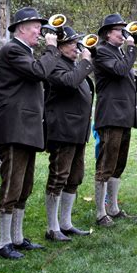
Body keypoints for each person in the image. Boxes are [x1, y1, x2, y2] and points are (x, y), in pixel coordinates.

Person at [0, 7, 61, 259]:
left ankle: (17, 238)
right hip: (14, 128)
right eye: (35, 27)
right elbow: (40, 71)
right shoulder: (12, 50)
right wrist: (52, 49)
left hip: (27, 128)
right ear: (20, 28)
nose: (40, 31)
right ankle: (2, 243)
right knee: (12, 183)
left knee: (25, 185)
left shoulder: (25, 52)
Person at [43, 26, 94, 241]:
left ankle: (66, 223)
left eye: (76, 42)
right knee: (58, 176)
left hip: (78, 130)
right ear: (60, 47)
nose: (76, 46)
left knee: (75, 177)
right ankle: (52, 227)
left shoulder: (72, 64)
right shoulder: (56, 65)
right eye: (71, 43)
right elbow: (70, 82)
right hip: (62, 130)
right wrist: (84, 61)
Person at [93, 13, 137, 227]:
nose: (124, 33)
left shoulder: (118, 53)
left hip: (123, 116)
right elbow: (121, 72)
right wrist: (131, 49)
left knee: (118, 164)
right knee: (106, 164)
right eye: (119, 30)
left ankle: (113, 207)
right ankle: (100, 212)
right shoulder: (102, 52)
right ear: (107, 34)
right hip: (111, 117)